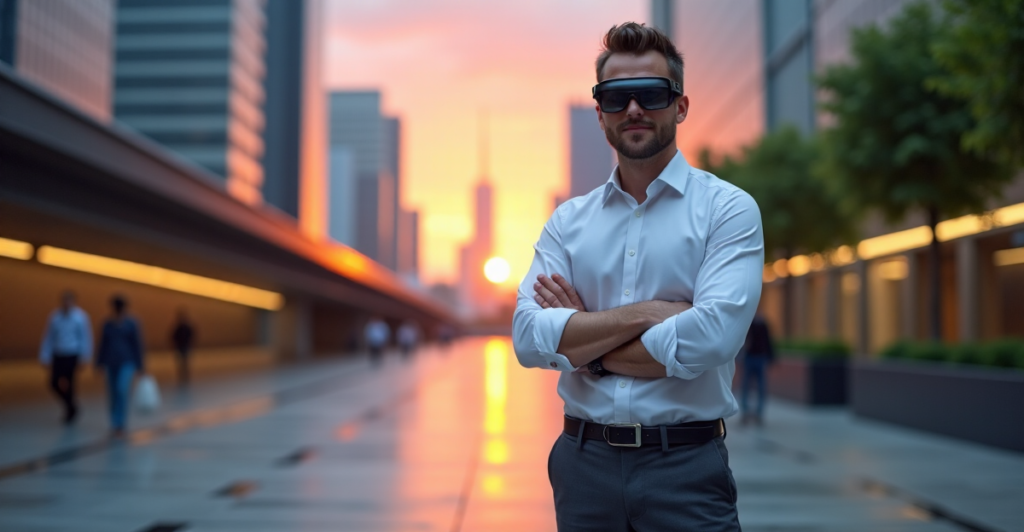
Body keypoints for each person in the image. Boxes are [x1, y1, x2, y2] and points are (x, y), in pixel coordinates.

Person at [512, 23, 763, 531]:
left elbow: (712, 338)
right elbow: (528, 337)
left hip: (685, 468)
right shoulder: (567, 222)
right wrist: (651, 314)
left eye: (650, 93)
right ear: (599, 111)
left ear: (681, 106)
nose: (633, 109)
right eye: (615, 97)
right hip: (582, 466)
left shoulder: (728, 210)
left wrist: (584, 341)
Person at [39, 290, 92, 424]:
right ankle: (71, 405)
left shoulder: (80, 317)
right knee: (54, 382)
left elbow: (85, 337)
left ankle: (70, 410)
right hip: (58, 354)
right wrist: (45, 355)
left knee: (70, 383)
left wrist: (85, 356)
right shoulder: (55, 317)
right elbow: (49, 337)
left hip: (72, 354)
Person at [96, 294, 146, 437]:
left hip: (126, 362)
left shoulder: (131, 324)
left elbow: (137, 345)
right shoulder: (108, 324)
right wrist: (99, 362)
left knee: (121, 389)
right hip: (111, 362)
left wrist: (140, 365)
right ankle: (115, 422)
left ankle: (120, 422)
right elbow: (103, 344)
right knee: (112, 392)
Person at [741, 312, 775, 425]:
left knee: (756, 386)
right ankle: (748, 412)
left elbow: (768, 341)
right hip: (751, 357)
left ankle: (756, 413)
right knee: (748, 386)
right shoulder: (749, 323)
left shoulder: (760, 324)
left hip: (758, 357)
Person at [170, 309, 195, 386]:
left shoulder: (183, 328)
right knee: (182, 363)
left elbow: (191, 336)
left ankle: (185, 376)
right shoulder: (179, 328)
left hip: (184, 347)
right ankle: (183, 376)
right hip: (181, 347)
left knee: (184, 362)